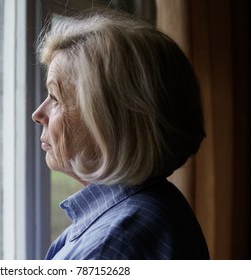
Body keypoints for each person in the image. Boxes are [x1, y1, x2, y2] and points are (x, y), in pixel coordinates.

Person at [32, 9, 209, 260]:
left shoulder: (110, 247)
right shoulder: (155, 204)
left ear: (110, 121)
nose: (38, 114)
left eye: (55, 98)